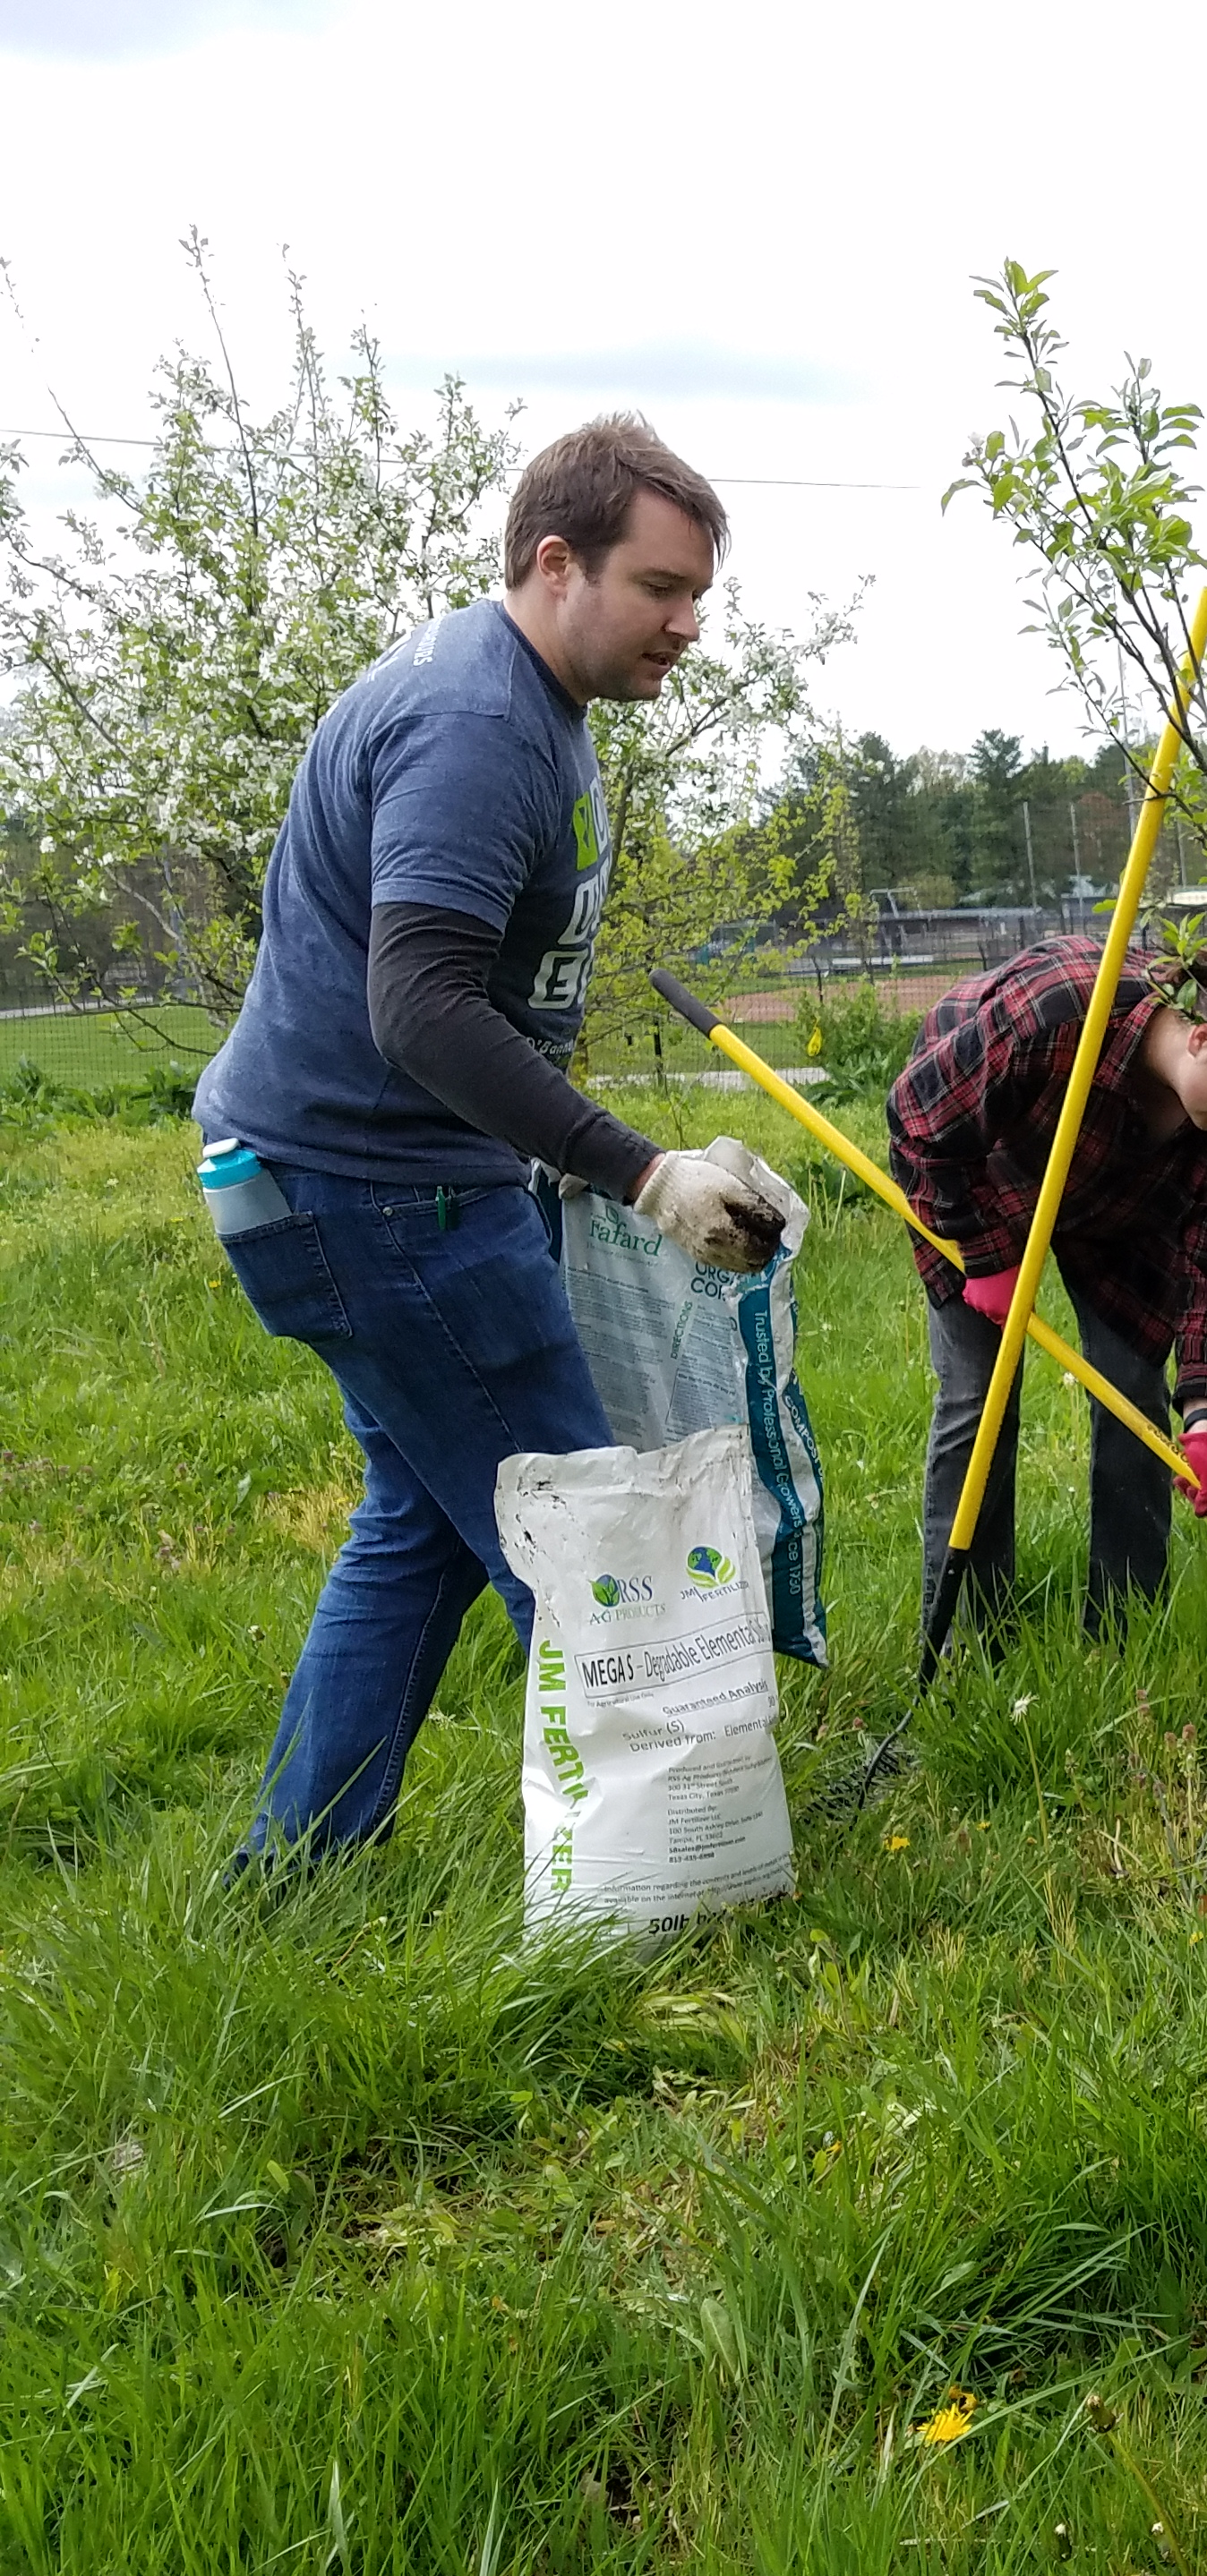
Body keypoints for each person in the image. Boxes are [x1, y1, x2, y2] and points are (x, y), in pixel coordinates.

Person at [196, 414, 787, 1866]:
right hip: (382, 1195)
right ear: (556, 562)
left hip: (356, 1182)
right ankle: (657, 1886)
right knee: (590, 1549)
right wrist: (638, 1168)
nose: (688, 623)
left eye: (699, 592)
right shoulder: (474, 721)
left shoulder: (533, 705)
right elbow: (422, 1009)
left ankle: (298, 1867)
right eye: (659, 587)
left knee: (418, 1528)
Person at [887, 931, 1207, 1635]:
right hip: (979, 1171)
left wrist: (1205, 1420)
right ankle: (973, 1633)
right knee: (981, 1394)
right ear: (1204, 1040)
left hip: (1119, 1202)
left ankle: (1124, 1632)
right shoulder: (1061, 1012)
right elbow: (919, 1117)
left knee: (1133, 1393)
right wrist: (985, 1255)